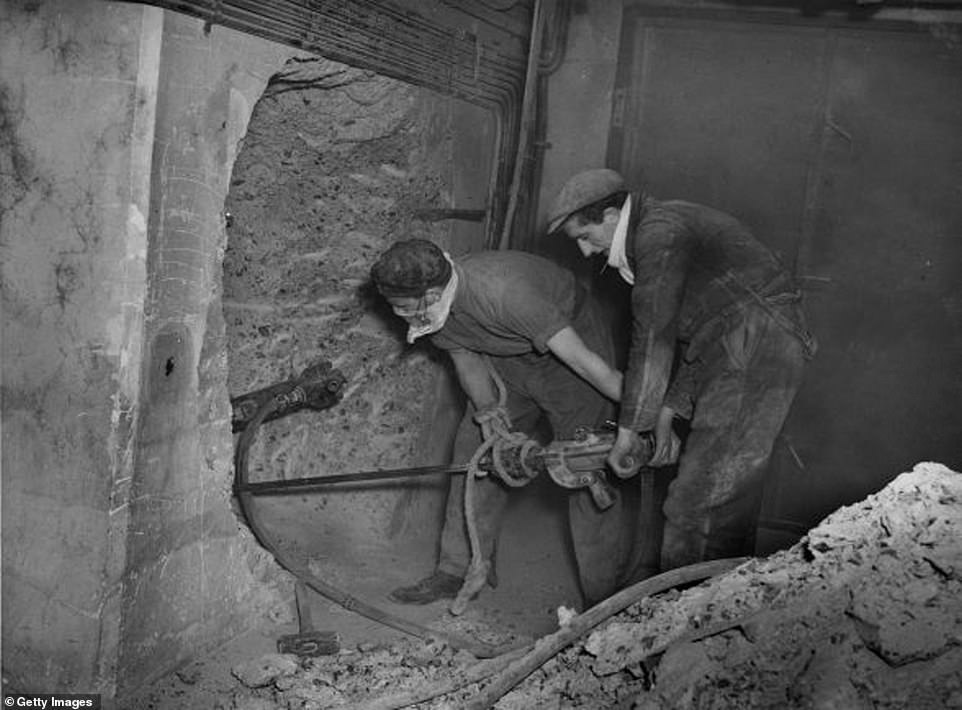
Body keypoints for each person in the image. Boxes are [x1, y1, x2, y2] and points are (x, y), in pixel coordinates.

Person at [547, 168, 817, 570]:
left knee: (694, 504)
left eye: (585, 237)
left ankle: (682, 617)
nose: (586, 253)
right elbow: (700, 334)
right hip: (746, 345)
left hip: (756, 345)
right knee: (724, 501)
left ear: (609, 216)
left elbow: (654, 335)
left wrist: (630, 429)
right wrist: (667, 415)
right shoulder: (657, 230)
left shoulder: (660, 234)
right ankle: (720, 607)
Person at [370, 238, 636, 605]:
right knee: (475, 454)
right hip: (509, 358)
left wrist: (644, 412)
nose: (398, 314)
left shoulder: (506, 294)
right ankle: (458, 568)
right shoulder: (435, 310)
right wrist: (490, 415)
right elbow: (465, 358)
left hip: (573, 354)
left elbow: (586, 364)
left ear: (430, 294)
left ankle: (606, 599)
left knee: (583, 465)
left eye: (400, 307)